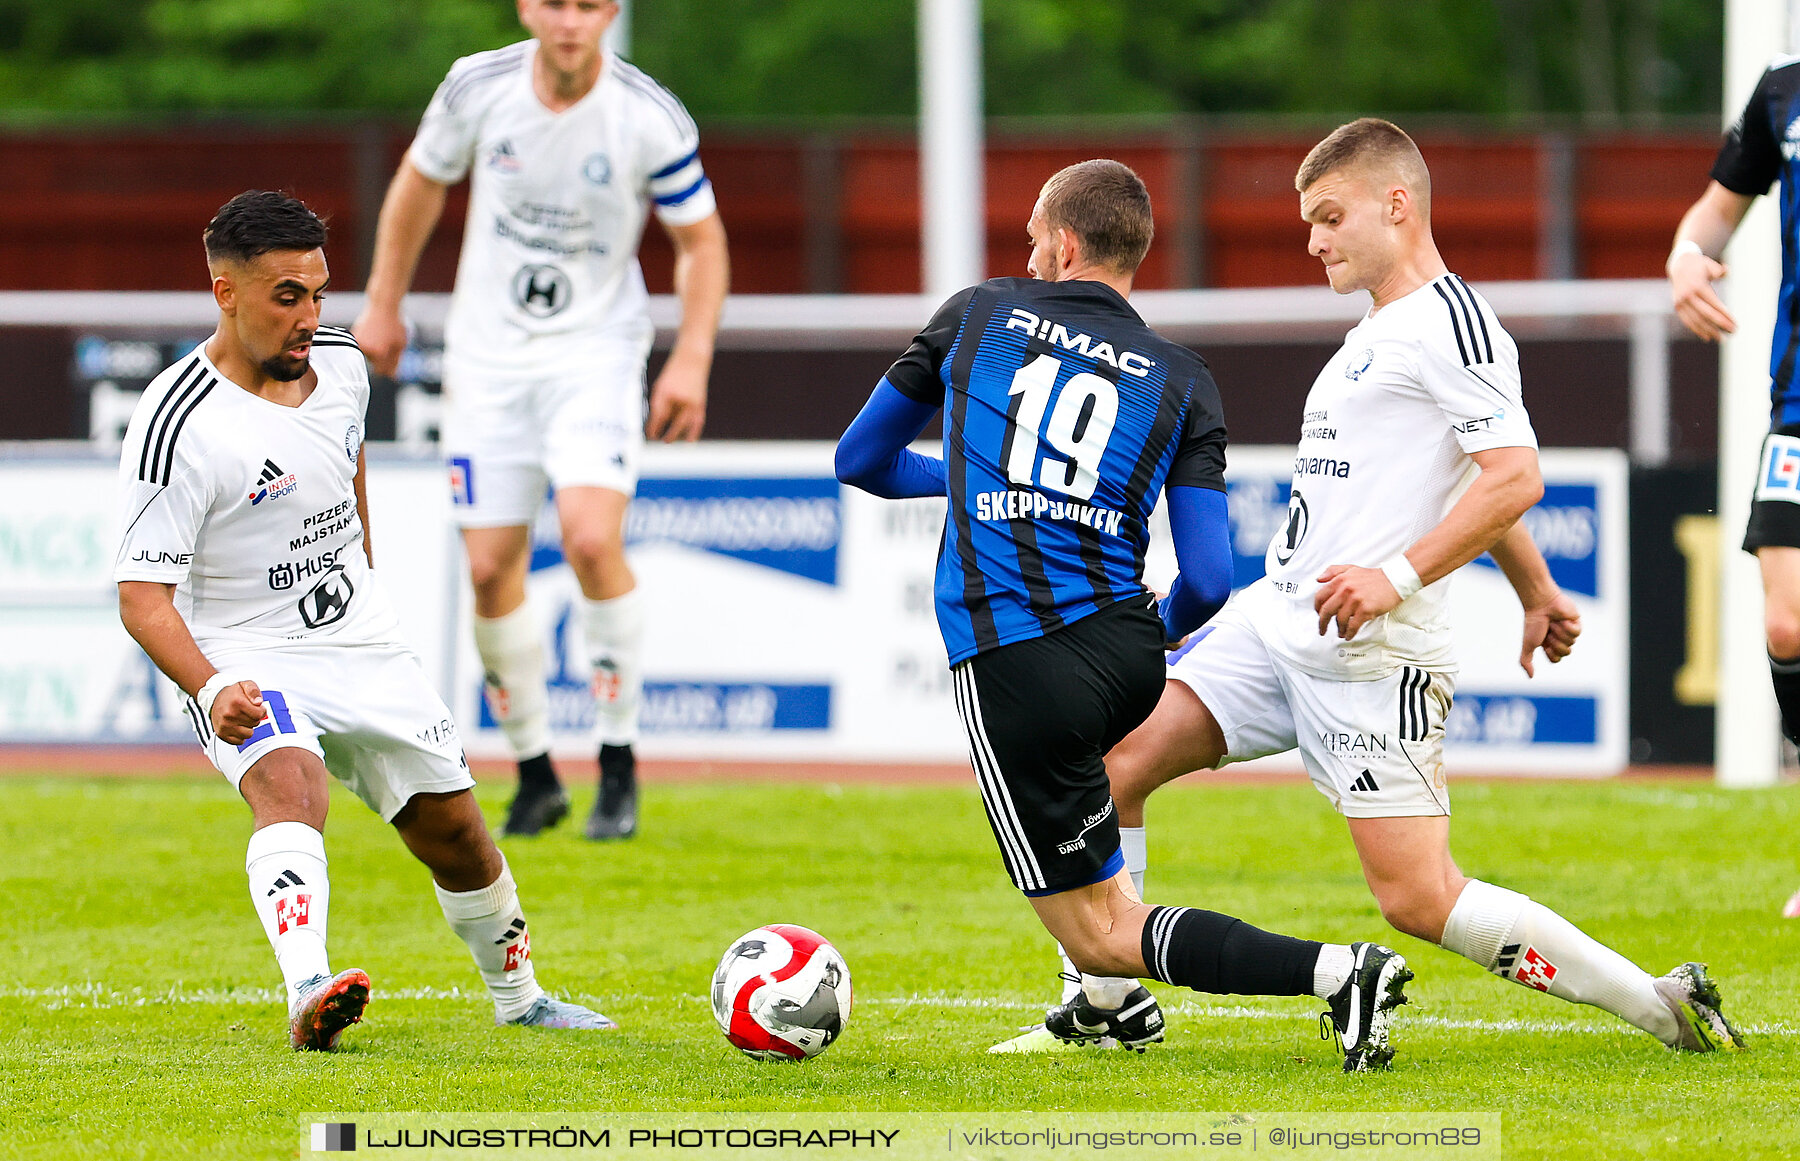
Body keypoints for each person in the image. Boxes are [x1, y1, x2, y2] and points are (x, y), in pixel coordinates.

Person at [998, 120, 1743, 1056]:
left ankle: (1664, 1004)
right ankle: (1108, 1011)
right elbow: (1461, 479)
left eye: (1329, 216)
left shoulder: (1452, 321)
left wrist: (1393, 578)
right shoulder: (1377, 330)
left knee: (1419, 899)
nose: (1314, 239)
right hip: (1278, 622)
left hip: (1369, 653)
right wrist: (1539, 590)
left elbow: (1514, 475)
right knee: (1113, 765)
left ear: (1398, 205)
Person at [837, 159, 1415, 1071]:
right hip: (1129, 650)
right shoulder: (1184, 378)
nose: (1027, 254)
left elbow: (860, 458)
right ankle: (1110, 1013)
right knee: (1103, 841)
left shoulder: (979, 312)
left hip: (1016, 654)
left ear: (1062, 244)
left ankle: (1340, 972)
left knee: (1103, 930)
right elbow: (1211, 577)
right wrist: (1159, 628)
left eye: (1034, 238)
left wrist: (969, 487)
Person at [115, 190, 616, 1050]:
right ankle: (309, 983)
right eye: (286, 296)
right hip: (243, 650)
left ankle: (522, 997)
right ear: (225, 293)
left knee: (454, 830)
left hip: (359, 639)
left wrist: (364, 587)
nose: (310, 316)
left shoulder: (343, 365)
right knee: (291, 785)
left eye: (318, 292)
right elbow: (141, 597)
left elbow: (347, 471)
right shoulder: (178, 421)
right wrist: (210, 684)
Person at [353, 0, 730, 841]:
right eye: (555, 3)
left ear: (612, 13)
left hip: (593, 354)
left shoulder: (647, 114)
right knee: (490, 569)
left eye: (589, 5)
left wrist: (692, 356)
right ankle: (532, 771)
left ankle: (620, 760)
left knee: (591, 538)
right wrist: (384, 302)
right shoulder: (477, 87)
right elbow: (419, 182)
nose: (570, 22)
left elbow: (701, 241)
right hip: (487, 360)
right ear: (527, 8)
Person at [1667, 59, 1800, 919]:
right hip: (1798, 402)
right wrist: (1685, 259)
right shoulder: (1782, 91)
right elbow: (1712, 218)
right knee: (1788, 617)